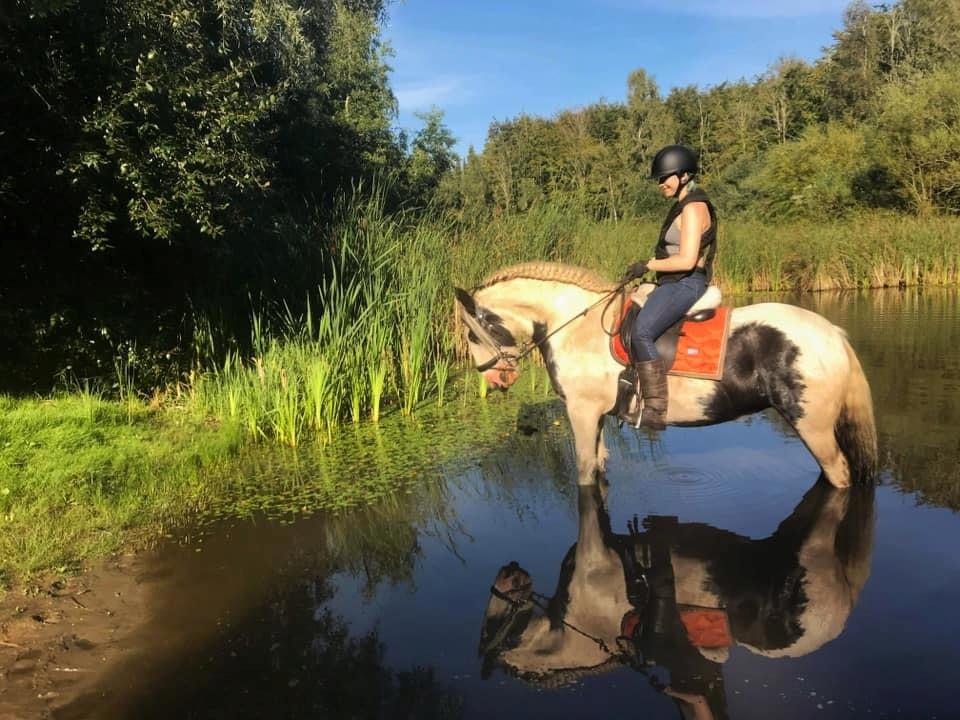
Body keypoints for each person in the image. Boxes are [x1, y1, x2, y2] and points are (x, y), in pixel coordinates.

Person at [619, 144, 717, 429]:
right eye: (659, 179)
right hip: (673, 281)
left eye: (665, 177)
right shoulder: (682, 206)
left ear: (684, 175)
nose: (660, 183)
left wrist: (648, 265)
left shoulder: (694, 208)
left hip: (686, 282)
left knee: (642, 332)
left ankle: (655, 409)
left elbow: (686, 260)